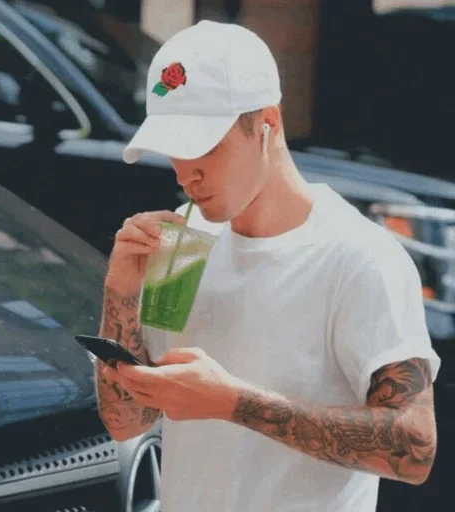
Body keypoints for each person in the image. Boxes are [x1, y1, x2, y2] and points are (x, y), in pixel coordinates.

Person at [94, 20, 441, 512]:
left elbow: (414, 450)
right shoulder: (186, 242)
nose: (186, 173)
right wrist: (122, 294)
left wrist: (233, 402)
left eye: (204, 146)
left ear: (267, 123)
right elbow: (128, 422)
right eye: (173, 148)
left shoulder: (360, 256)